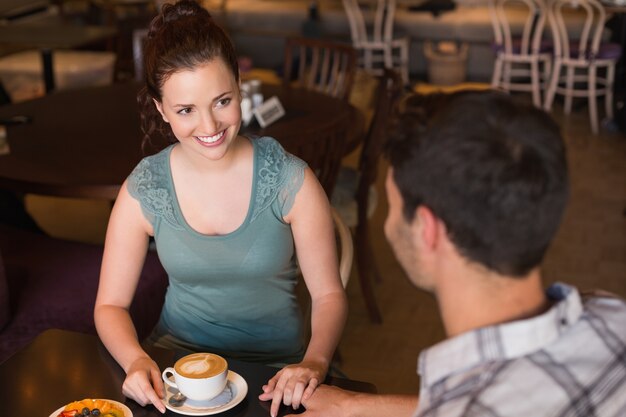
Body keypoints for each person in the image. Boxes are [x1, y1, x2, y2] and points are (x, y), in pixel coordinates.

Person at [287, 91, 626, 417]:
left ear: (427, 229)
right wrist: (352, 406)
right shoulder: (610, 315)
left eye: (392, 205)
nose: (388, 225)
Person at [94, 0, 347, 414]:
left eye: (222, 101)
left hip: (276, 373)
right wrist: (137, 360)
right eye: (186, 110)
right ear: (161, 110)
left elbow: (329, 295)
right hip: (175, 367)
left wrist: (314, 362)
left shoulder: (290, 178)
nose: (210, 127)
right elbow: (110, 305)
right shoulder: (145, 186)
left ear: (240, 86)